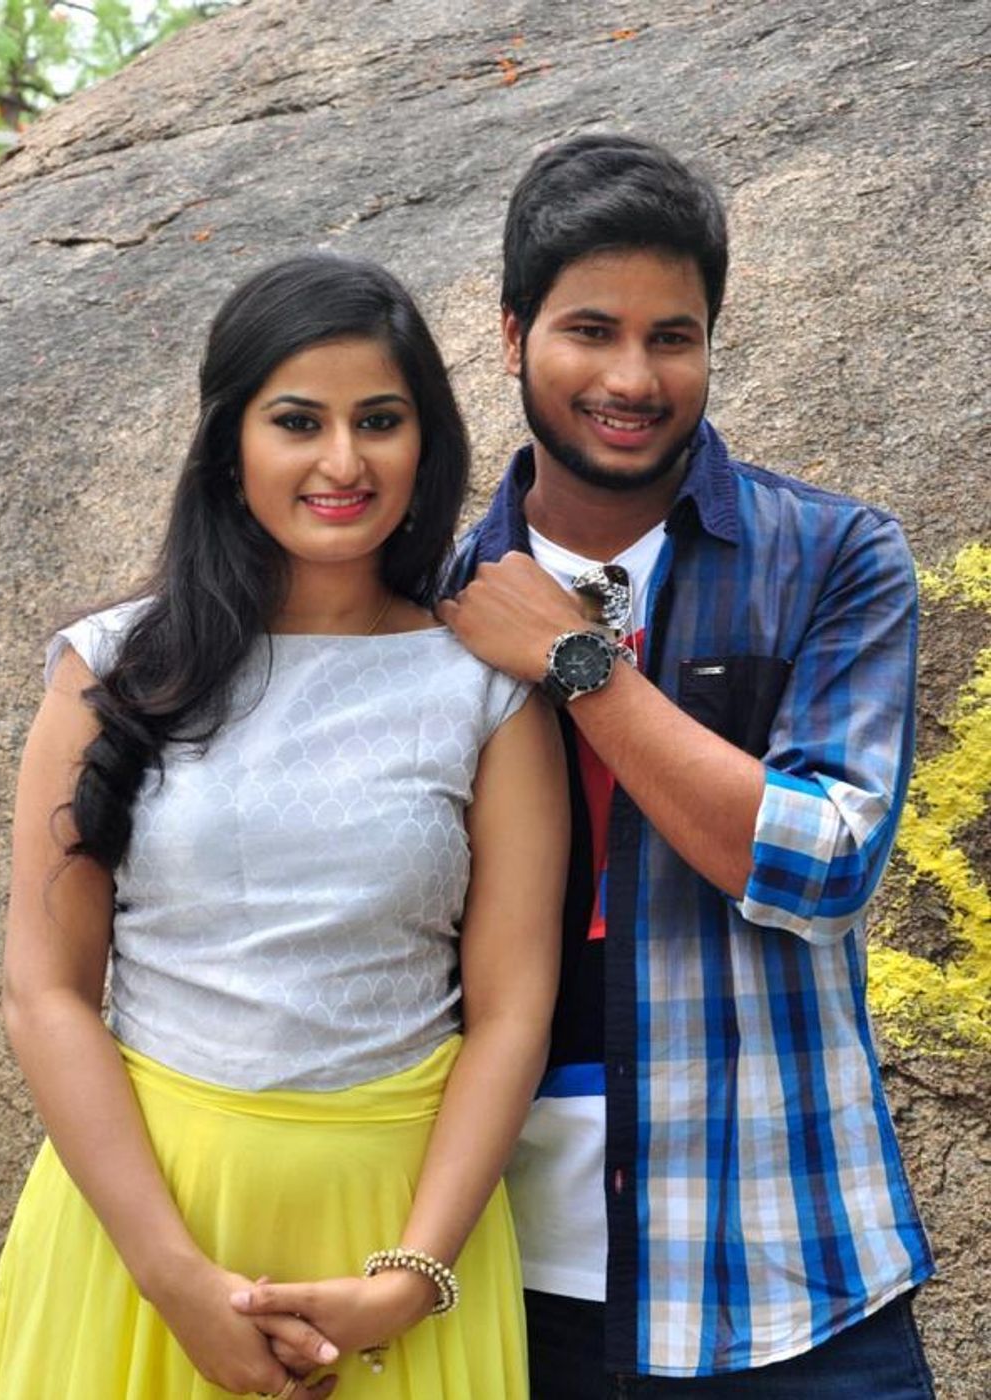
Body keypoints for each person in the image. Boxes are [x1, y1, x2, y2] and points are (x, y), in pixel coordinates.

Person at [0, 252, 567, 1400]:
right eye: (298, 421)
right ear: (230, 443)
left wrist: (409, 1277)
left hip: (395, 1240)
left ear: (426, 442)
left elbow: (511, 1011)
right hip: (142, 1236)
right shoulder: (111, 668)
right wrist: (173, 1278)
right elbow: (45, 989)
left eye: (380, 421)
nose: (343, 461)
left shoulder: (485, 691)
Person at [435, 134, 937, 1397]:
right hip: (500, 1284)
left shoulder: (832, 556)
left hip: (790, 1281)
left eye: (673, 336)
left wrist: (579, 664)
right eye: (588, 330)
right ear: (512, 335)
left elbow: (825, 865)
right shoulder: (427, 599)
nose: (631, 376)